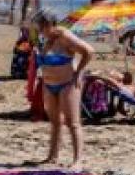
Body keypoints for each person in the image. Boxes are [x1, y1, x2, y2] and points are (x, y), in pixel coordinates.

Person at [32, 11, 92, 166]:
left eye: (41, 27)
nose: (39, 30)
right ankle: (52, 156)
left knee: (73, 123)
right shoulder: (44, 40)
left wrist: (79, 72)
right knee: (55, 122)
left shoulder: (65, 37)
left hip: (67, 83)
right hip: (48, 84)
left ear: (50, 24)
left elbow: (88, 51)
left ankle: (77, 160)